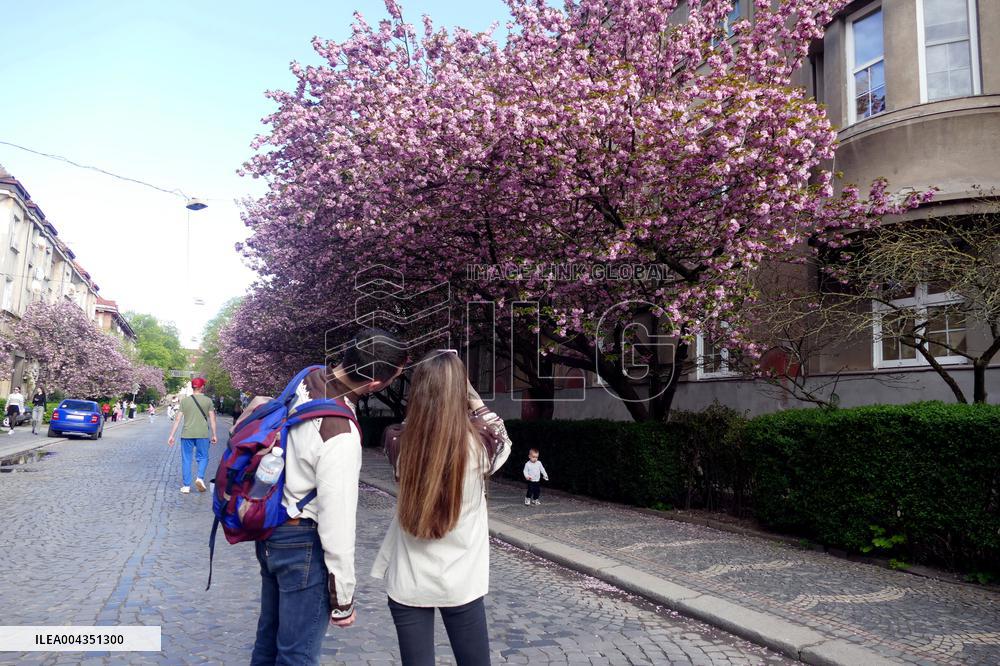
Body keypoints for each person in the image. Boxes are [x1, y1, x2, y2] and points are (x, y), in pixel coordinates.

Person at [248, 328, 406, 666]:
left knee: (268, 640)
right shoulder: (341, 433)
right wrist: (343, 599)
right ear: (375, 385)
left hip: (271, 528)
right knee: (297, 655)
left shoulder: (306, 378)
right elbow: (337, 524)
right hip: (302, 543)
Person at [372, 351, 511, 666]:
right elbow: (503, 438)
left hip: (409, 581)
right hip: (462, 582)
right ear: (460, 393)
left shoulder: (398, 444)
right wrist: (472, 398)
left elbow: (418, 427)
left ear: (417, 392)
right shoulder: (480, 448)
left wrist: (429, 391)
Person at [167, 379, 217, 494]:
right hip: (203, 434)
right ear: (202, 387)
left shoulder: (185, 401)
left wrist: (171, 435)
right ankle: (199, 477)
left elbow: (178, 419)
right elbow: (212, 419)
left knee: (186, 459)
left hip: (187, 434)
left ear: (192, 387)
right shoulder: (208, 401)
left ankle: (186, 486)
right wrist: (214, 434)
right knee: (203, 457)